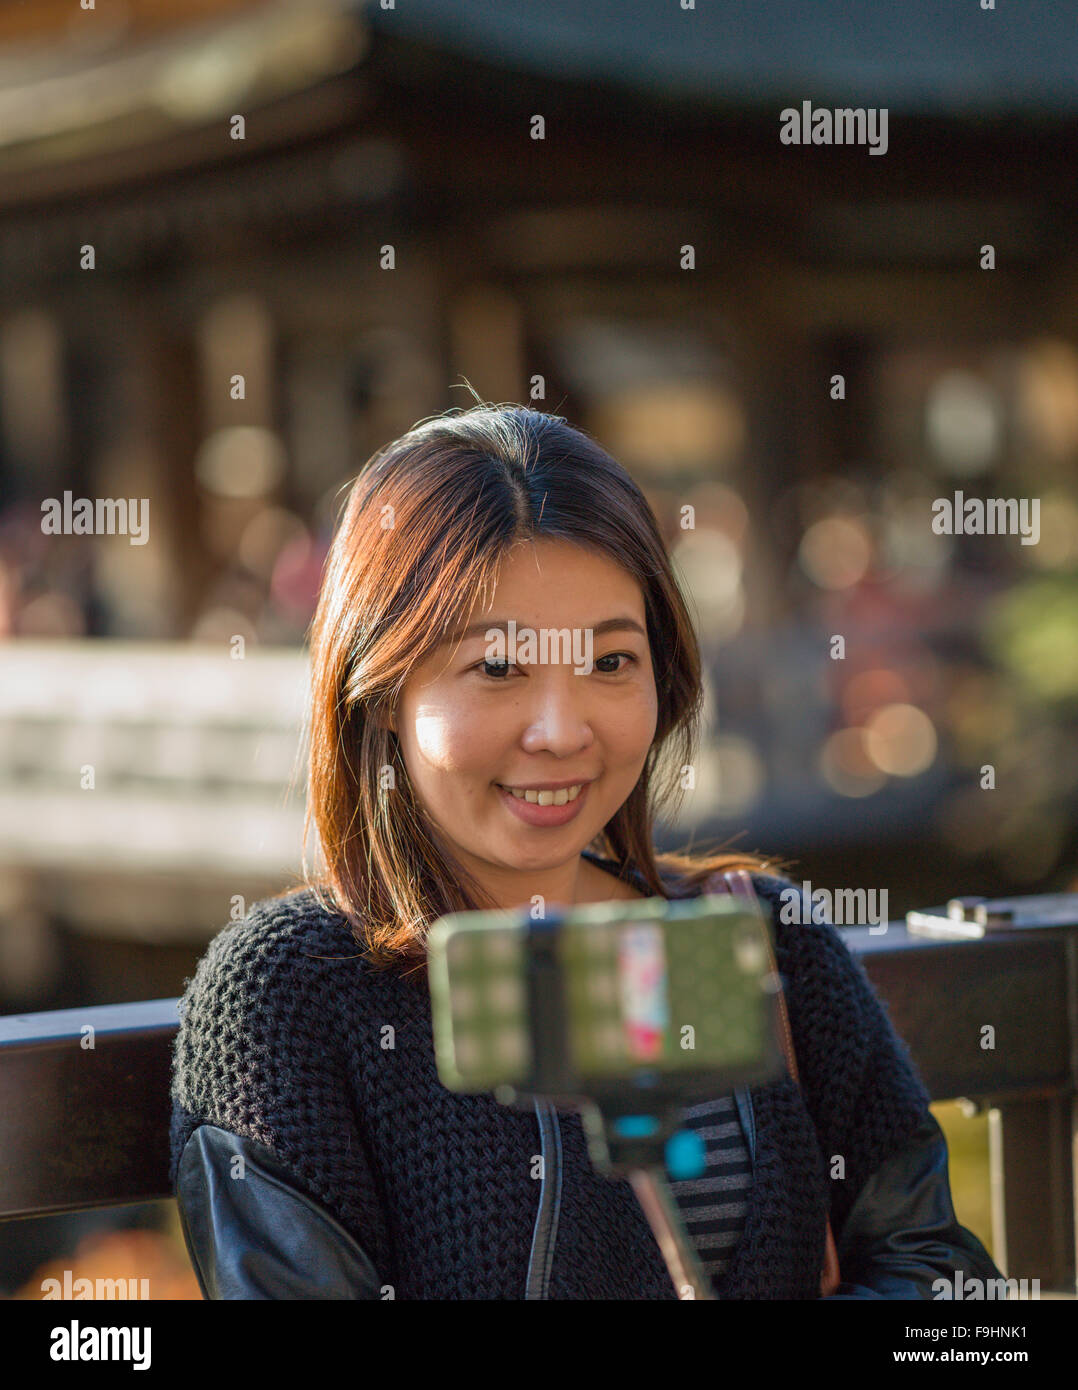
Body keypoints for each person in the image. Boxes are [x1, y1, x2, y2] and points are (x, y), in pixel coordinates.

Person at [169, 402, 1001, 1299]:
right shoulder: (292, 995)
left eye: (611, 663)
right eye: (497, 668)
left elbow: (944, 1285)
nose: (562, 732)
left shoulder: (767, 942)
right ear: (378, 692)